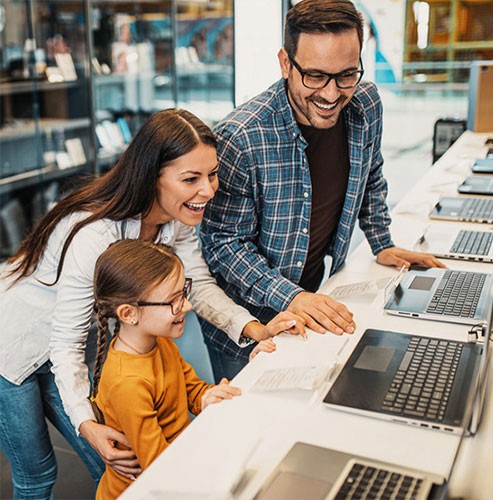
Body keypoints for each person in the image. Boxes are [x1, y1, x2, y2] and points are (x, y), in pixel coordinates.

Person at [0, 108, 304, 499]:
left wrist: (253, 329)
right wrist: (86, 425)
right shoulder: (95, 235)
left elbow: (196, 286)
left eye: (211, 174)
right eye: (191, 178)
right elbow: (65, 342)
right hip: (17, 345)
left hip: (72, 342)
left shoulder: (175, 218)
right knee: (38, 475)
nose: (209, 190)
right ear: (151, 175)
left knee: (109, 465)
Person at [199, 0, 444, 381]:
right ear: (285, 63)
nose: (331, 94)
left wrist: (382, 242)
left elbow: (370, 172)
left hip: (311, 293)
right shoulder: (241, 136)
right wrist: (291, 296)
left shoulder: (366, 104)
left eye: (347, 75)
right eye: (314, 76)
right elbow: (224, 244)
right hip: (246, 319)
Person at [91, 239, 273, 499]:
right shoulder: (127, 383)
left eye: (184, 293)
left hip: (180, 465)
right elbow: (158, 465)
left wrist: (207, 397)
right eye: (173, 301)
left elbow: (192, 391)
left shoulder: (160, 341)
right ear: (129, 313)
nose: (187, 307)